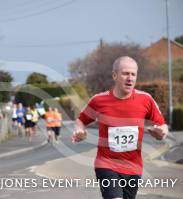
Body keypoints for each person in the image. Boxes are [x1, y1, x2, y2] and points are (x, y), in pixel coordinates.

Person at [72, 56, 168, 199]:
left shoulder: (145, 99)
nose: (130, 78)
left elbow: (162, 125)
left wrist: (161, 132)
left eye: (133, 74)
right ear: (115, 75)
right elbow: (81, 121)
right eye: (125, 73)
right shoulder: (99, 100)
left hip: (133, 167)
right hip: (106, 165)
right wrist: (80, 131)